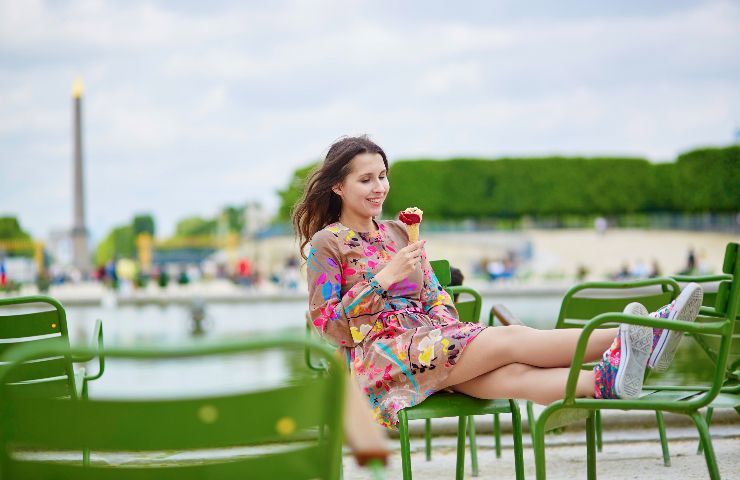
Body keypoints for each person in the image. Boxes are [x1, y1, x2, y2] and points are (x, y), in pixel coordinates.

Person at [293, 135, 704, 429]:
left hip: (430, 343)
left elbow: (435, 295)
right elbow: (329, 326)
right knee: (511, 339)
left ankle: (603, 382)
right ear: (338, 186)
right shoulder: (326, 244)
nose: (380, 187)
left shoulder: (399, 233)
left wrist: (438, 314)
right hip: (381, 360)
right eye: (366, 180)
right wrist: (383, 281)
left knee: (513, 375)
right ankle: (647, 331)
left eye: (383, 176)